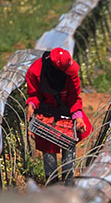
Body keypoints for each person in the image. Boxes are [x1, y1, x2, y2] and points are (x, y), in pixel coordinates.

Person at [25, 48, 92, 184]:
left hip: (66, 114)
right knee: (48, 149)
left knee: (68, 144)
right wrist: (32, 105)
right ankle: (52, 182)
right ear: (56, 69)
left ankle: (68, 181)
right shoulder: (36, 72)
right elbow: (34, 94)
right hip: (46, 114)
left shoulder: (70, 72)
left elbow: (74, 97)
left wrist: (78, 117)